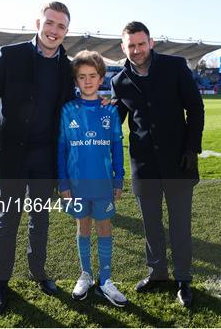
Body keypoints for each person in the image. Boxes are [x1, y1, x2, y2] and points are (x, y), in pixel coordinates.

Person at [0, 1, 75, 315]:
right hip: (12, 155)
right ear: (38, 23)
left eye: (61, 26)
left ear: (66, 31)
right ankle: (0, 285)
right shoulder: (10, 55)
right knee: (8, 221)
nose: (54, 31)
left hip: (45, 157)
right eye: (50, 23)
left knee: (39, 219)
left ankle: (37, 271)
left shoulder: (65, 67)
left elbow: (68, 113)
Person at [111, 21, 204, 308]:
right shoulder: (119, 81)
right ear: (123, 48)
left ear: (151, 42)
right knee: (151, 225)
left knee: (180, 225)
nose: (136, 50)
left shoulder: (175, 66)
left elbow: (196, 107)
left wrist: (191, 147)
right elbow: (117, 121)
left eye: (141, 44)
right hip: (143, 165)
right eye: (131, 46)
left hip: (179, 161)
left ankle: (184, 279)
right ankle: (158, 273)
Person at [57, 50, 127, 307]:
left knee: (104, 227)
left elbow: (117, 147)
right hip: (76, 185)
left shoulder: (110, 111)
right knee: (82, 226)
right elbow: (61, 148)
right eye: (82, 76)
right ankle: (85, 274)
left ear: (101, 79)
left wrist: (118, 179)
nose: (87, 81)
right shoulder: (68, 110)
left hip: (103, 184)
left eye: (93, 76)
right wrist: (63, 182)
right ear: (75, 80)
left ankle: (106, 279)